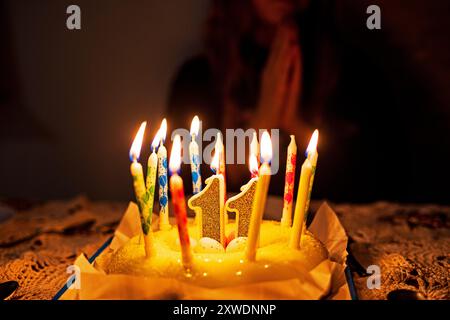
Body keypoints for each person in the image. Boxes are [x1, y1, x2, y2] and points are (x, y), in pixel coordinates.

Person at [168, 0, 450, 203]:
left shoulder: (354, 73)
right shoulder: (197, 80)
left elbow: (388, 185)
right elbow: (184, 195)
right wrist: (260, 124)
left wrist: (296, 126)